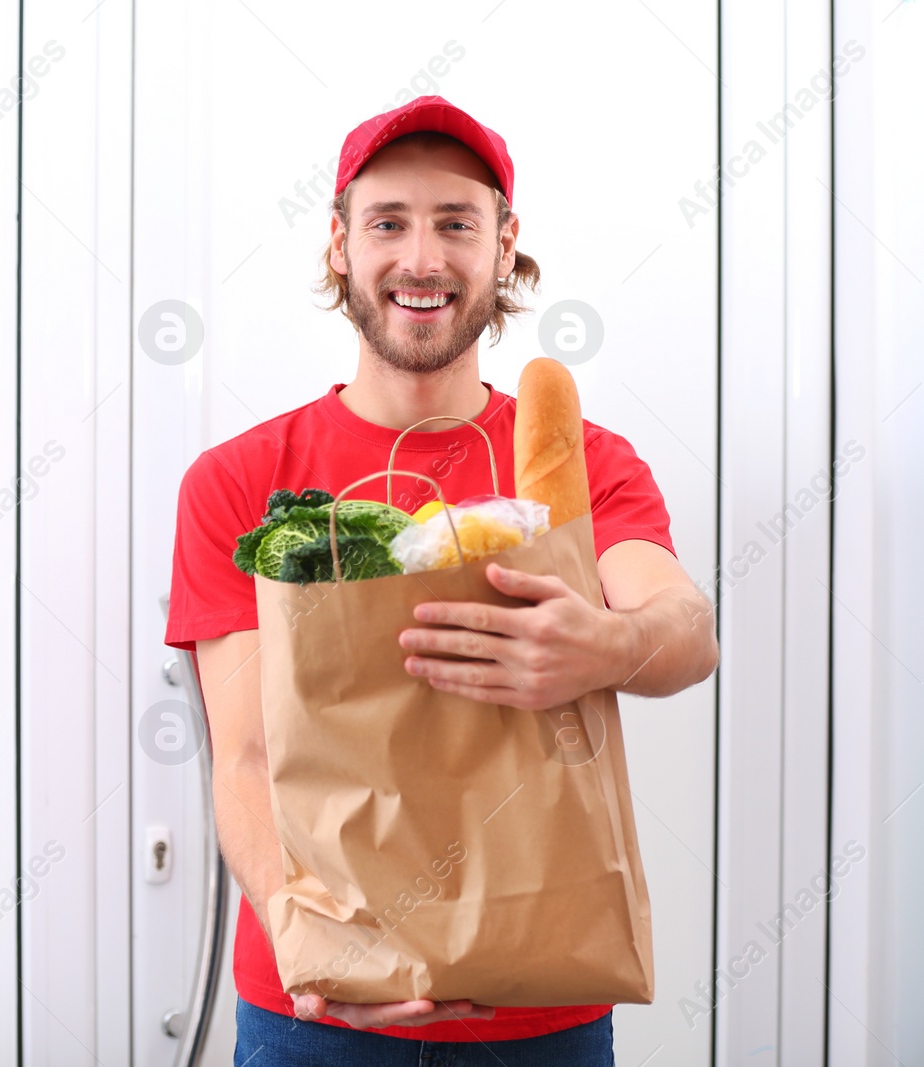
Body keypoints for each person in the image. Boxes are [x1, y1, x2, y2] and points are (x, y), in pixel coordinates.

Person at [163, 95, 719, 1066]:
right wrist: (316, 948)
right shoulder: (241, 480)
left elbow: (686, 629)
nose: (421, 257)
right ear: (339, 244)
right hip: (315, 1016)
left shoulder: (581, 461)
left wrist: (606, 643)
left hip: (540, 1002)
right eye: (388, 222)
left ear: (505, 249)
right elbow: (244, 758)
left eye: (456, 223)